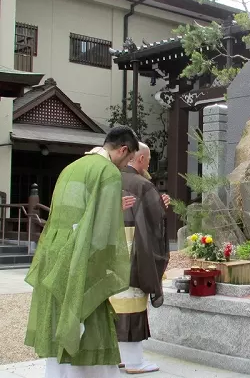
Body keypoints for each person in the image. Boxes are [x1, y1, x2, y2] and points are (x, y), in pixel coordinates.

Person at [24, 126, 140, 378]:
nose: (125, 165)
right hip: (82, 255)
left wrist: (110, 208)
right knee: (89, 318)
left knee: (60, 317)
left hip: (55, 254)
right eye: (129, 159)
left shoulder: (71, 167)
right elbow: (102, 233)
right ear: (123, 150)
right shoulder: (108, 171)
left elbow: (69, 212)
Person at [111, 143, 170, 374]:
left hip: (112, 253)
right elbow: (155, 220)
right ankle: (134, 362)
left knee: (114, 306)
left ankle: (116, 357)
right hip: (135, 252)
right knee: (133, 304)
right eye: (148, 159)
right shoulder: (143, 184)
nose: (148, 164)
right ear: (142, 159)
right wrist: (162, 206)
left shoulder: (112, 179)